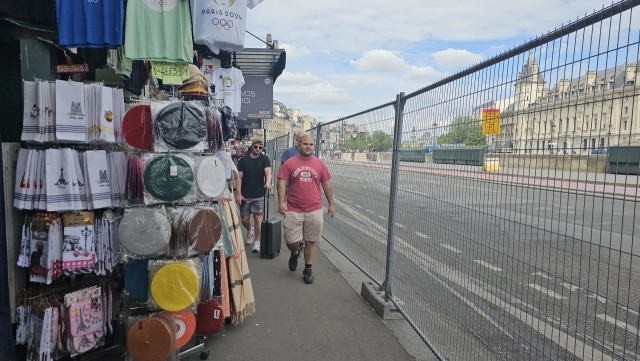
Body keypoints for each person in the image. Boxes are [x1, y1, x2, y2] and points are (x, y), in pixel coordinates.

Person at [277, 134, 335, 284]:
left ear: (313, 146)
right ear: (299, 145)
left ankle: (308, 269)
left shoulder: (319, 164)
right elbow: (281, 183)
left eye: (310, 144)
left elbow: (326, 184)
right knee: (290, 240)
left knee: (311, 240)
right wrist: (281, 201)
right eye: (305, 144)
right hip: (293, 209)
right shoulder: (290, 163)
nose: (308, 147)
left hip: (314, 209)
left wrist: (331, 204)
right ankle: (295, 252)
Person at [236, 138, 272, 253]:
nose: (258, 149)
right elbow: (239, 178)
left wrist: (267, 182)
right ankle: (249, 230)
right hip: (245, 195)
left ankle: (257, 242)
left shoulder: (265, 159)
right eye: (256, 147)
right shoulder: (244, 160)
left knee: (258, 219)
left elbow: (268, 172)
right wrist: (238, 194)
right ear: (252, 147)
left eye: (260, 148)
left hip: (258, 194)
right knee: (245, 219)